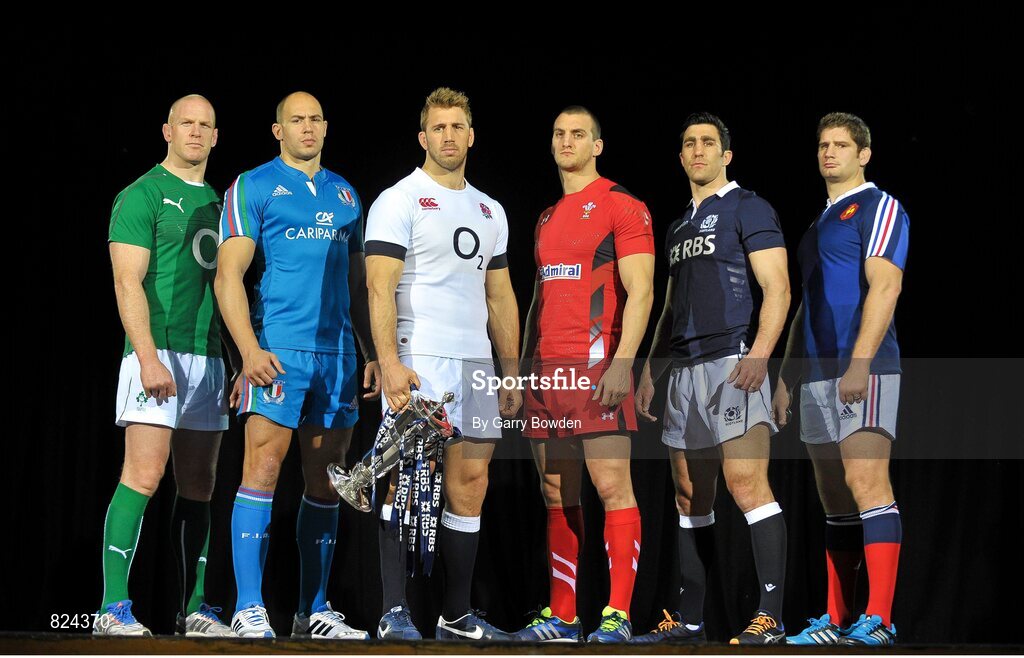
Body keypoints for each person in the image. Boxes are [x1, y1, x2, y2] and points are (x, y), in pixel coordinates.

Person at [215, 91, 378, 640]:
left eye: (314, 119)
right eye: (295, 120)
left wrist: (371, 350)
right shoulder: (254, 185)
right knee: (260, 471)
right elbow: (227, 277)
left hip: (337, 358)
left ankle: (314, 612)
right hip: (278, 352)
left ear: (326, 128)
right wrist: (248, 352)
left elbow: (358, 285)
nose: (306, 128)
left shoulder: (347, 193)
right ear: (277, 130)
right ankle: (248, 607)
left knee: (327, 482)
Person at [364, 87, 522, 642]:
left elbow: (500, 297)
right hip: (420, 355)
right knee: (406, 482)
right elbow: (378, 287)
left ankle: (456, 617)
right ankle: (393, 613)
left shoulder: (491, 209)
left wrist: (511, 370)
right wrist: (389, 361)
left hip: (475, 360)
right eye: (438, 128)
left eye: (458, 127)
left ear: (471, 135)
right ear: (423, 136)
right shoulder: (399, 198)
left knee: (471, 481)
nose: (448, 136)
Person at [633, 112, 791, 645]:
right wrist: (654, 369)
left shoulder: (748, 206)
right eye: (689, 144)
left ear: (726, 154)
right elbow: (672, 306)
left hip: (733, 360)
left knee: (746, 485)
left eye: (708, 143)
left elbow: (779, 289)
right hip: (683, 371)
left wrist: (761, 355)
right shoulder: (678, 225)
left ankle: (770, 617)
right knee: (688, 495)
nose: (697, 151)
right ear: (681, 157)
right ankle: (692, 620)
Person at [516, 106, 655, 643]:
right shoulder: (548, 217)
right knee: (556, 493)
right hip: (547, 375)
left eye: (578, 134)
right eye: (559, 134)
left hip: (597, 368)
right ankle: (563, 615)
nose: (567, 141)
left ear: (598, 145)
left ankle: (617, 615)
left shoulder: (622, 204)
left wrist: (624, 362)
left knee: (612, 486)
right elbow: (538, 299)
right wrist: (523, 371)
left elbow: (641, 291)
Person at [97, 94, 233, 637]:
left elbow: (229, 286)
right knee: (144, 475)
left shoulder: (223, 205)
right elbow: (126, 281)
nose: (196, 133)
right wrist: (148, 356)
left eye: (206, 125)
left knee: (199, 482)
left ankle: (194, 610)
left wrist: (234, 359)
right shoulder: (142, 194)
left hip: (209, 357)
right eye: (187, 124)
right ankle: (111, 609)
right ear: (167, 131)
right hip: (157, 353)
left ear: (216, 136)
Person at [775, 112, 909, 647]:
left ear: (863, 154)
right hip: (815, 378)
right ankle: (835, 620)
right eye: (823, 144)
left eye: (841, 145)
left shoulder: (878, 206)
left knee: (867, 483)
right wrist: (786, 376)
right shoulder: (816, 225)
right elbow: (805, 306)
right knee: (833, 497)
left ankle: (879, 618)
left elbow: (885, 288)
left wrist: (859, 363)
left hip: (864, 368)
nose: (829, 153)